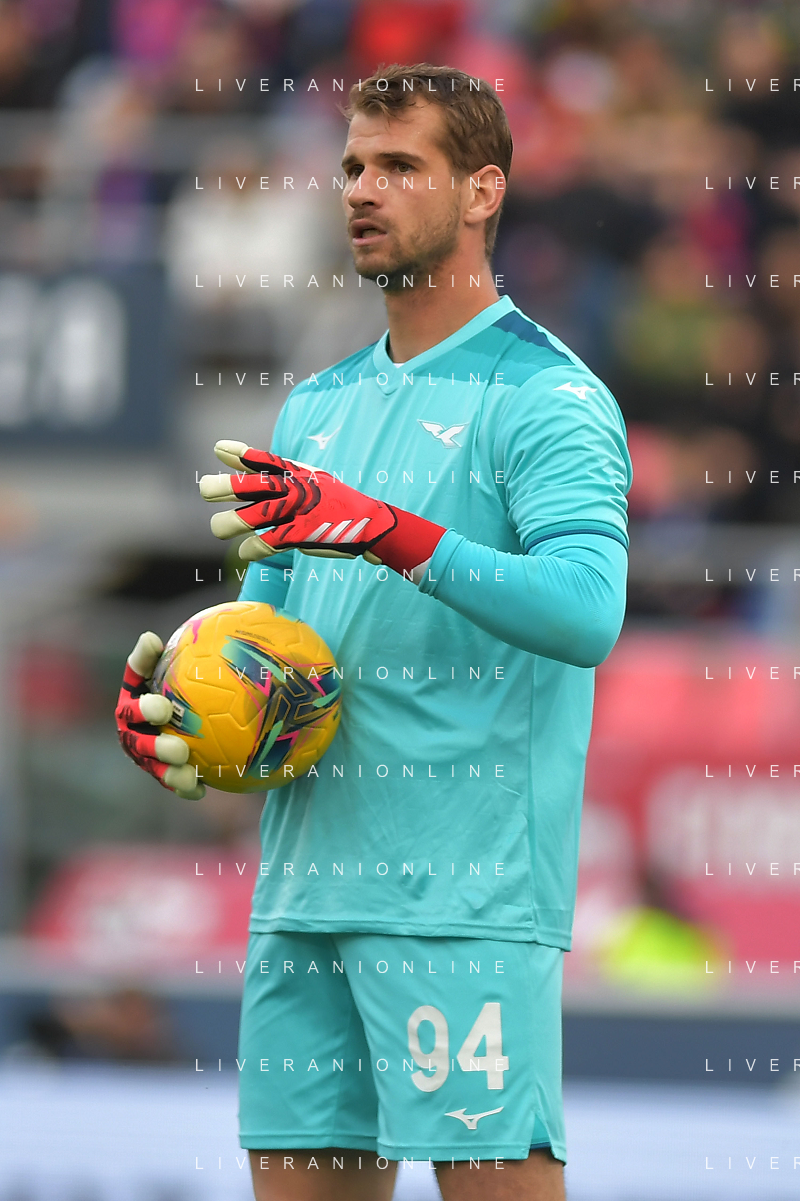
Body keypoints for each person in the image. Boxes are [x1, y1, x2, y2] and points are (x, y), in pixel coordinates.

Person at [116, 63, 631, 1201]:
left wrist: (392, 531)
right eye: (353, 165)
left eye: (400, 165)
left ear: (483, 190)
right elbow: (277, 647)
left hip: (462, 902)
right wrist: (183, 714)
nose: (361, 188)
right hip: (303, 897)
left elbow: (587, 609)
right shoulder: (314, 408)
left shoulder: (547, 396)